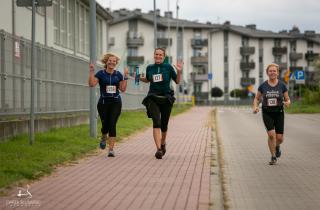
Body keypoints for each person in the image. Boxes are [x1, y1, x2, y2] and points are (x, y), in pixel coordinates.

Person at [139, 48, 183, 159]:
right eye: (156, 54)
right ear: (154, 55)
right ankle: (158, 149)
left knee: (164, 125)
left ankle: (163, 143)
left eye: (160, 55)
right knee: (156, 123)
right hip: (153, 97)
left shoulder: (168, 67)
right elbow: (148, 79)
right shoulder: (150, 67)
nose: (158, 56)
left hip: (166, 98)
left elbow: (177, 81)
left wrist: (179, 71)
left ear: (164, 56)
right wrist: (139, 77)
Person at [88, 53, 129, 157]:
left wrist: (125, 77)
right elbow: (92, 84)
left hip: (116, 102)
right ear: (106, 62)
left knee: (112, 124)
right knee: (105, 124)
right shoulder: (101, 74)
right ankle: (103, 136)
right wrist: (92, 72)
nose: (112, 62)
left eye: (114, 61)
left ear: (116, 63)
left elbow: (123, 89)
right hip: (103, 103)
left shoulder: (118, 74)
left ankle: (111, 149)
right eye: (110, 60)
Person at [253, 63, 291, 165]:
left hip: (279, 113)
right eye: (270, 71)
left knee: (279, 138)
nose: (272, 72)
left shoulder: (282, 85)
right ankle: (273, 157)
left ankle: (277, 146)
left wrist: (287, 103)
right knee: (271, 135)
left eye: (274, 71)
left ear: (277, 73)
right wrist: (255, 107)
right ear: (267, 73)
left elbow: (287, 99)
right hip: (267, 112)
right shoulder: (263, 86)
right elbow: (257, 98)